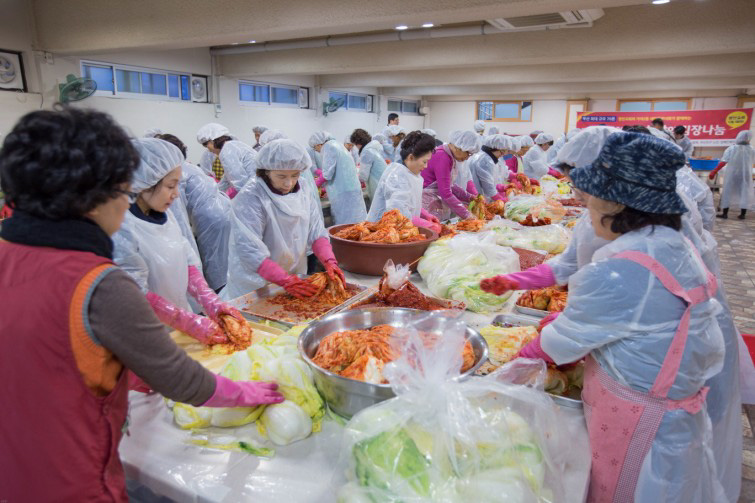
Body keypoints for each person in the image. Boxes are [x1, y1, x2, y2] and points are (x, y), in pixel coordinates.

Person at [0, 107, 283, 502]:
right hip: (69, 476)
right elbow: (180, 379)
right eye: (123, 190)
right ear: (91, 197)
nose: (125, 202)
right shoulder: (98, 283)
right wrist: (248, 393)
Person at [484, 129, 744, 501]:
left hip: (640, 424)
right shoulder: (667, 242)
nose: (584, 208)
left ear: (616, 203)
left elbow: (561, 343)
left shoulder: (620, 268)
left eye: (589, 199)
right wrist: (516, 281)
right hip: (669, 417)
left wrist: (510, 367)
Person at [223, 139, 345, 300]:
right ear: (266, 171)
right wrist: (283, 279)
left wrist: (329, 261)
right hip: (255, 283)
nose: (289, 183)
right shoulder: (251, 197)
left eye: (295, 175)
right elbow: (250, 251)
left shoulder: (303, 188)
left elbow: (316, 231)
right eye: (281, 176)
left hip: (294, 276)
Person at [156, 134, 233, 292]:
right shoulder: (187, 167)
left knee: (213, 263)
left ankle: (218, 294)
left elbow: (181, 224)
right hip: (222, 211)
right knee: (221, 260)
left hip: (210, 219)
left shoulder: (174, 174)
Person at [367, 131, 441, 231]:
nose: (426, 166)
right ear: (411, 157)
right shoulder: (397, 176)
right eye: (424, 161)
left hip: (399, 229)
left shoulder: (411, 174)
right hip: (381, 231)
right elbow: (397, 213)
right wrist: (426, 224)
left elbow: (409, 203)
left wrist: (425, 215)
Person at [421, 130, 481, 220]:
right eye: (468, 153)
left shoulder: (449, 156)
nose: (467, 158)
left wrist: (469, 197)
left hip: (434, 202)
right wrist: (466, 214)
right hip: (428, 203)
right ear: (459, 147)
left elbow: (449, 185)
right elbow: (445, 193)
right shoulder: (442, 156)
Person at [310, 131, 367, 225]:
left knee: (345, 224)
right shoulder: (337, 145)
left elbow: (327, 174)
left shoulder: (328, 147)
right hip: (351, 189)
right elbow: (335, 169)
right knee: (357, 221)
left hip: (343, 193)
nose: (316, 151)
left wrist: (315, 185)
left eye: (315, 148)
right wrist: (321, 175)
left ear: (319, 144)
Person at [197, 123, 257, 195]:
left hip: (254, 190)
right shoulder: (232, 146)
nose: (209, 150)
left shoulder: (226, 151)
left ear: (212, 141)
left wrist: (243, 198)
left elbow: (239, 181)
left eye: (207, 146)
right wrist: (215, 193)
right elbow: (226, 180)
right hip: (256, 186)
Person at [710, 130, 754, 220]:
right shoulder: (752, 149)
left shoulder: (732, 148)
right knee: (744, 192)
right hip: (745, 174)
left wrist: (714, 171)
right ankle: (743, 214)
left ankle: (725, 214)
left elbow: (723, 162)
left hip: (733, 174)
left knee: (727, 192)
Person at [469, 134, 510, 201]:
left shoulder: (488, 158)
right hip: (477, 198)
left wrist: (498, 187)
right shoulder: (485, 161)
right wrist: (502, 200)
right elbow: (489, 189)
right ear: (493, 148)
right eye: (502, 152)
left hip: (481, 197)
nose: (502, 155)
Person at [351, 128, 388, 201]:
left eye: (355, 144)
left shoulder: (367, 152)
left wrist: (354, 177)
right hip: (383, 182)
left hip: (377, 184)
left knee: (378, 205)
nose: (356, 147)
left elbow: (363, 176)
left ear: (358, 142)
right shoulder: (373, 148)